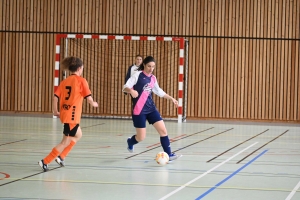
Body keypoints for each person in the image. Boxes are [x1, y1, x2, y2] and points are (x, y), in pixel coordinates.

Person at [38, 56, 98, 172]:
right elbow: (89, 98)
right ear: (80, 68)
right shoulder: (81, 81)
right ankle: (45, 161)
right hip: (72, 117)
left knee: (78, 135)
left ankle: (61, 157)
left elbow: (55, 98)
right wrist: (94, 103)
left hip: (66, 115)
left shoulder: (64, 81)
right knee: (65, 142)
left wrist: (55, 111)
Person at [123, 56, 181, 162]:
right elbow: (125, 86)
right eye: (149, 66)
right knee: (141, 137)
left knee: (163, 130)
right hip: (139, 110)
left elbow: (159, 91)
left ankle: (169, 154)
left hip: (151, 109)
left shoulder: (153, 78)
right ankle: (130, 142)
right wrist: (131, 91)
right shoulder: (137, 75)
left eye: (153, 67)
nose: (151, 69)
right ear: (144, 65)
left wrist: (171, 98)